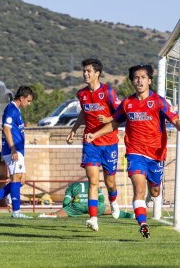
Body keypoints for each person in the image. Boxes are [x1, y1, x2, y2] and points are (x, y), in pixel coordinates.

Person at [85, 64, 180, 238]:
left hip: (156, 155)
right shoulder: (127, 103)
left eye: (143, 77)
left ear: (149, 80)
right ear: (132, 81)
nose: (139, 80)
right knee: (139, 189)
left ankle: (154, 192)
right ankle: (143, 224)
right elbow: (114, 123)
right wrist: (95, 134)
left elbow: (174, 120)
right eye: (136, 78)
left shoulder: (159, 101)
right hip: (135, 153)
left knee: (155, 192)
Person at [66, 58, 122, 232]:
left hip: (109, 143)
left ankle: (113, 200)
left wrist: (108, 119)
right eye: (84, 71)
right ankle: (93, 219)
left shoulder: (108, 92)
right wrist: (74, 129)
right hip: (90, 142)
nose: (85, 73)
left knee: (110, 181)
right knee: (93, 181)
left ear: (97, 74)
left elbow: (120, 115)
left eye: (89, 71)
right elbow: (84, 112)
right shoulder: (81, 94)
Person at [0, 86, 34, 219]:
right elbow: (6, 129)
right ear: (21, 98)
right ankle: (16, 212)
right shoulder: (11, 109)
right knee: (16, 178)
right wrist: (13, 149)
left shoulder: (16, 110)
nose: (29, 104)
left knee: (22, 179)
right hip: (12, 150)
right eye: (28, 101)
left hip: (18, 150)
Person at [39, 182, 134, 219]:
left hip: (77, 206)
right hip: (95, 206)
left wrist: (67, 210)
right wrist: (101, 206)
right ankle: (133, 216)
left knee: (57, 214)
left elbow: (66, 202)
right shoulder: (93, 184)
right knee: (114, 212)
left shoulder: (71, 186)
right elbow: (101, 199)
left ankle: (45, 215)